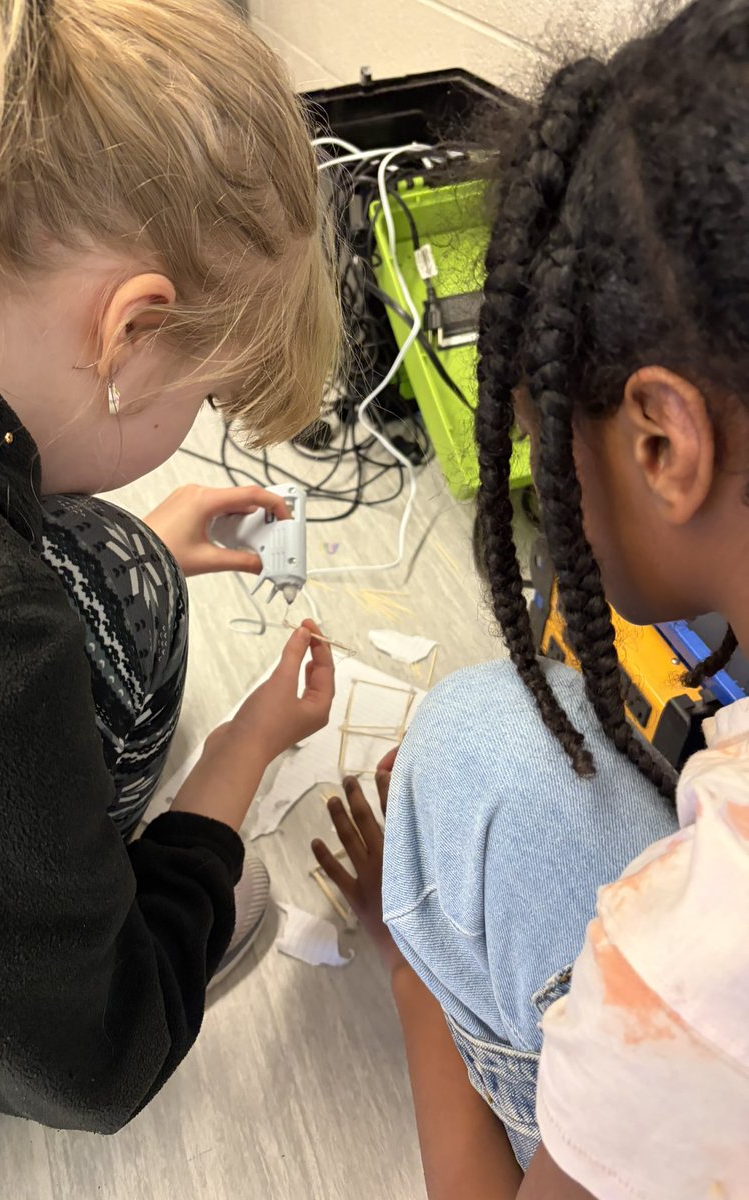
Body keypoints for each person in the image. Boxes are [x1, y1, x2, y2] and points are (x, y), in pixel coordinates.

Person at [0, 0, 340, 1194]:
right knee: (120, 598)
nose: (199, 427)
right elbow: (93, 1068)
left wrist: (121, 559)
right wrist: (235, 761)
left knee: (121, 574)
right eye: (208, 395)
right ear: (132, 333)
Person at [314, 1, 749, 1195]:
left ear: (663, 439)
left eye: (548, 447)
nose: (544, 499)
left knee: (476, 738)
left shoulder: (706, 966)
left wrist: (414, 967)